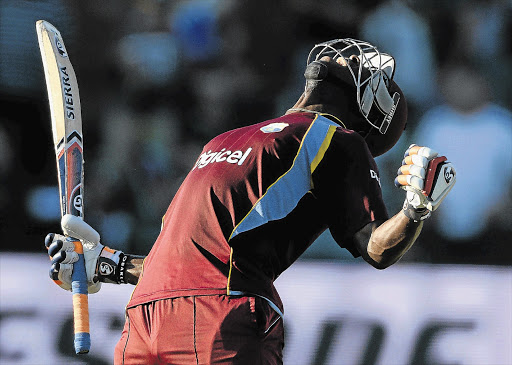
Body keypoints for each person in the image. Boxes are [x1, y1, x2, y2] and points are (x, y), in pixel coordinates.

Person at [45, 38, 455, 364]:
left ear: (373, 118)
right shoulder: (240, 137)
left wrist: (413, 211)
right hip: (212, 316)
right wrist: (106, 262)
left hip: (150, 322)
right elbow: (187, 259)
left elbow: (376, 248)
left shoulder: (323, 138)